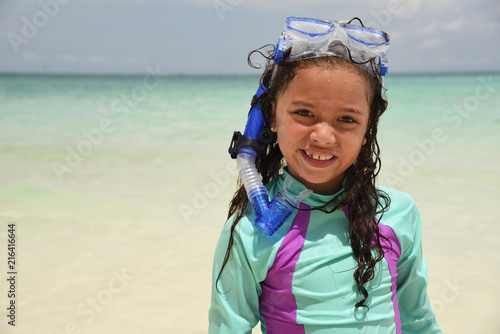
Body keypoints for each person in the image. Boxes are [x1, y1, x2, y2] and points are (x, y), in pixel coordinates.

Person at [209, 16, 441, 333]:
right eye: (304, 113)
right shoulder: (250, 231)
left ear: (368, 127)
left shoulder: (398, 214)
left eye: (346, 118)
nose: (323, 136)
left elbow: (419, 321)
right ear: (272, 115)